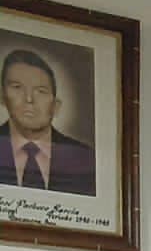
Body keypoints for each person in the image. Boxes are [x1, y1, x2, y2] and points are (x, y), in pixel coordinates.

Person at [0, 48, 95, 195]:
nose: (29, 99)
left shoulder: (86, 159)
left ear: (56, 106)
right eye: (17, 87)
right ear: (3, 98)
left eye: (41, 91)